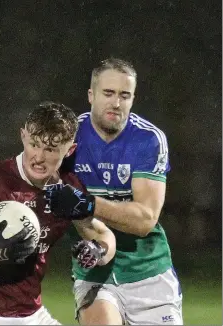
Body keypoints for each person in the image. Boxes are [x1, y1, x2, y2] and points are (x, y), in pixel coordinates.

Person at [0, 102, 116, 325]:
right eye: (34, 144)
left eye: (51, 149)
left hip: (30, 315)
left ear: (70, 149)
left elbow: (102, 235)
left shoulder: (66, 191)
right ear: (23, 136)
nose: (39, 157)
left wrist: (97, 250)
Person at [50, 58, 182, 325]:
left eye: (125, 95)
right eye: (108, 93)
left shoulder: (148, 139)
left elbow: (145, 220)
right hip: (96, 268)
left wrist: (88, 203)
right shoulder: (68, 137)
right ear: (91, 95)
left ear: (133, 99)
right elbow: (35, 178)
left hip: (148, 269)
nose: (116, 103)